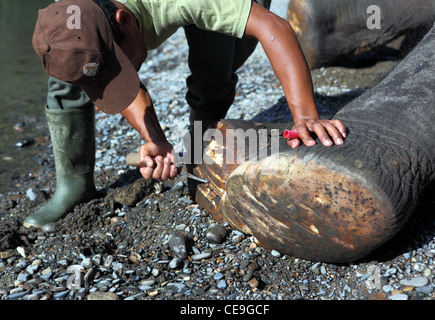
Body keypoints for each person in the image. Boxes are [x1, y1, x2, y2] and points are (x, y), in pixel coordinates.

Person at [25, 0, 346, 228]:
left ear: (124, 19)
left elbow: (272, 26)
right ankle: (73, 186)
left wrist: (305, 115)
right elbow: (108, 79)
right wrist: (156, 140)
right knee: (68, 67)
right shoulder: (70, 17)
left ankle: (201, 138)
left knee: (217, 62)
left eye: (118, 70)